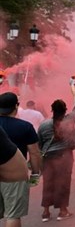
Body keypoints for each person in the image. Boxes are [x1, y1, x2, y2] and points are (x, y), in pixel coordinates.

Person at [38, 84, 75, 222]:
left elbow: (39, 144)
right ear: (65, 110)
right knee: (63, 183)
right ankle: (62, 211)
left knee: (48, 183)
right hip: (64, 157)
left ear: (52, 110)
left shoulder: (43, 125)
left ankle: (46, 212)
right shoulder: (68, 121)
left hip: (48, 159)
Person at [0, 92, 42, 227]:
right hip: (15, 174)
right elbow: (34, 153)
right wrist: (35, 173)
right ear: (16, 106)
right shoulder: (25, 126)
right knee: (13, 214)